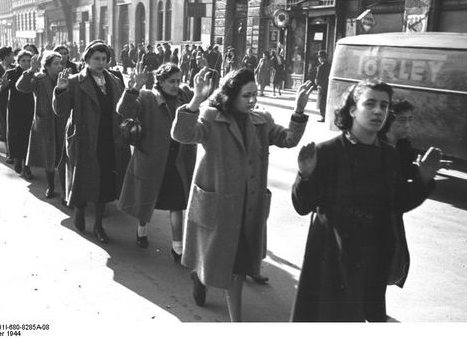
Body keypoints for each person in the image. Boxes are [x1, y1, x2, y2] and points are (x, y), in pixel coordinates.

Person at [291, 79, 441, 322]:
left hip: (371, 258)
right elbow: (302, 206)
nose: (378, 111)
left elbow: (397, 204)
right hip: (332, 259)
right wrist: (305, 176)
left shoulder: (388, 155)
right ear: (352, 110)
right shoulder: (327, 151)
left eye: (384, 105)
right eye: (370, 103)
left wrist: (423, 180)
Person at [171, 68, 313, 322]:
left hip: (248, 207)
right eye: (246, 95)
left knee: (235, 266)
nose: (252, 100)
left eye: (255, 94)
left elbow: (289, 139)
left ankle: (235, 319)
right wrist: (195, 100)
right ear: (231, 95)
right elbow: (182, 134)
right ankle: (201, 278)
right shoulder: (212, 117)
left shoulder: (261, 121)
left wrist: (299, 111)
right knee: (218, 258)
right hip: (220, 206)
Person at [53, 40, 131, 244]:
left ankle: (98, 225)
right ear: (86, 59)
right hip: (84, 138)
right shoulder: (75, 81)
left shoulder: (113, 80)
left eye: (104, 59)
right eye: (96, 58)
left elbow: (123, 108)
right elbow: (60, 111)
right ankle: (79, 209)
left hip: (108, 137)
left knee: (104, 181)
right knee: (83, 179)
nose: (100, 62)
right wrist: (60, 90)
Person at [117, 62, 197, 260]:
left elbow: (202, 98)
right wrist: (133, 88)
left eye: (178, 81)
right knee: (147, 199)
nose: (175, 85)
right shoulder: (146, 97)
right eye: (171, 81)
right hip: (152, 158)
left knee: (177, 203)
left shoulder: (184, 95)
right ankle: (141, 230)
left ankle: (177, 247)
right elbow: (124, 111)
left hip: (177, 159)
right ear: (160, 81)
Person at [16, 51, 67, 200]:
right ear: (47, 66)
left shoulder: (64, 79)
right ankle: (51, 186)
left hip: (61, 122)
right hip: (45, 121)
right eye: (56, 63)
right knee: (48, 156)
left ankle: (65, 190)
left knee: (63, 156)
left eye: (60, 63)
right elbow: (21, 87)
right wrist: (31, 70)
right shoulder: (39, 79)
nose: (59, 66)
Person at [1, 50, 35, 178]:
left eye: (29, 61)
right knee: (16, 136)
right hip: (15, 109)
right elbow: (0, 91)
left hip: (30, 108)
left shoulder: (35, 74)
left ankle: (27, 167)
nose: (26, 63)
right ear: (18, 61)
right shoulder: (10, 73)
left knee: (28, 136)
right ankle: (17, 159)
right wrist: (3, 86)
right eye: (23, 61)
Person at [0, 46, 16, 163]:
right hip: (1, 103)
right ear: (6, 57)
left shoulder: (15, 69)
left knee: (12, 126)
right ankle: (9, 153)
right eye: (12, 55)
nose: (13, 57)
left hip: (14, 102)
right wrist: (2, 86)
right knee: (5, 127)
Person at [314, 50, 331, 122]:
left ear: (322, 58)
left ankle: (323, 116)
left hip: (322, 86)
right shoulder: (330, 66)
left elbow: (318, 77)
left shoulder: (320, 67)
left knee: (321, 102)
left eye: (319, 57)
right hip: (328, 86)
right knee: (326, 101)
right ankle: (326, 115)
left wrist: (317, 84)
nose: (319, 59)